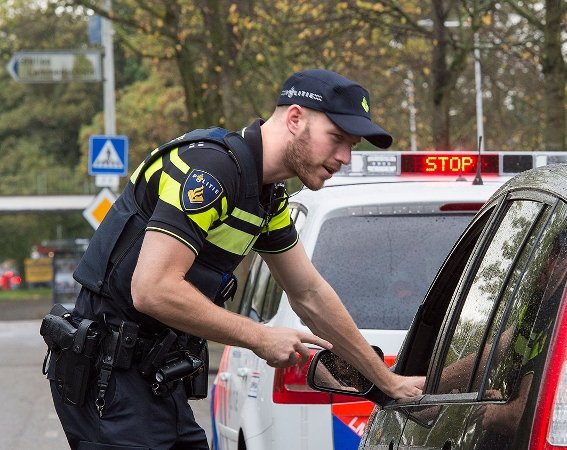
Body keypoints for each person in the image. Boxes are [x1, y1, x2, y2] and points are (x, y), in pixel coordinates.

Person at [42, 69, 424, 449]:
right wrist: (258, 336)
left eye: (352, 144)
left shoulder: (266, 197)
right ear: (295, 118)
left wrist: (387, 382)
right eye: (337, 138)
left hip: (153, 378)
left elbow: (309, 293)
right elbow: (152, 289)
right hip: (108, 380)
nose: (345, 157)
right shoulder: (209, 170)